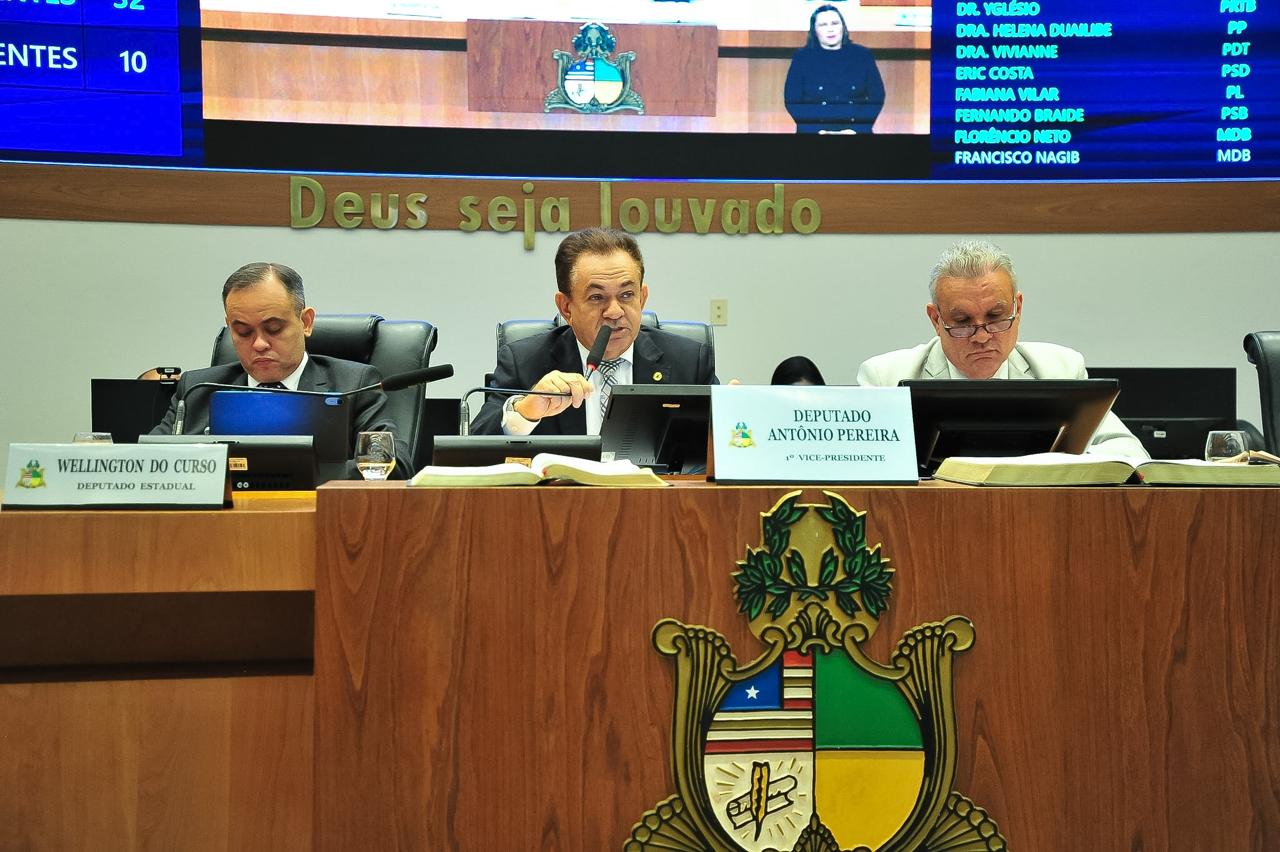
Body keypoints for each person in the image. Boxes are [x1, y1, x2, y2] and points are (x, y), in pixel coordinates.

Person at [856, 239, 1149, 458]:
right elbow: (862, 465)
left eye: (996, 317)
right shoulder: (886, 378)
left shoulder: (1060, 368)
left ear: (1017, 308)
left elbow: (1129, 453)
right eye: (962, 322)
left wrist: (1066, 465)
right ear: (936, 319)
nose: (982, 337)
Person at [151, 262, 414, 477]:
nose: (259, 344)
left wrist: (290, 474)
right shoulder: (197, 389)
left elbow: (393, 463)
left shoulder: (354, 384)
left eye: (274, 328)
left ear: (306, 322)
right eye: (243, 332)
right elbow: (146, 461)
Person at [470, 228, 718, 436]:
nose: (614, 312)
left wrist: (731, 417)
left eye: (626, 295)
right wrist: (526, 411)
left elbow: (720, 446)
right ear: (566, 307)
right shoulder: (525, 361)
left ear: (642, 298)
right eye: (597, 297)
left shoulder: (689, 362)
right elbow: (475, 446)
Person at [784, 3, 885, 134]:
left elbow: (877, 97)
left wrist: (856, 130)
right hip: (814, 132)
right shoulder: (802, 57)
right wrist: (816, 131)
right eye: (823, 25)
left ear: (843, 27)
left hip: (856, 131)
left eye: (835, 23)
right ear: (814, 30)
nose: (830, 29)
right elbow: (792, 100)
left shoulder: (862, 55)